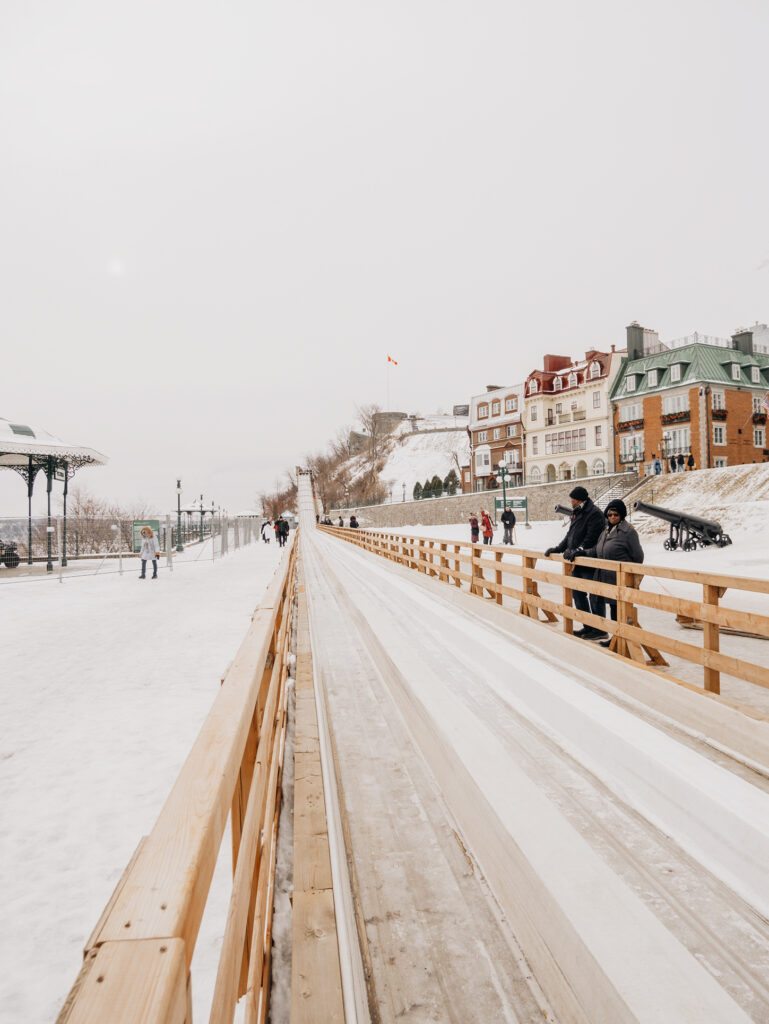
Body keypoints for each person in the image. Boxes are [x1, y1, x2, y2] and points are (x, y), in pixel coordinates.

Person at [569, 499, 644, 647]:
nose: (612, 517)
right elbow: (597, 550)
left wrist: (630, 575)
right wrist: (581, 553)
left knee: (619, 609)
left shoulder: (628, 532)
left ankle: (620, 639)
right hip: (605, 576)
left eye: (616, 514)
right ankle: (616, 637)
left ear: (621, 515)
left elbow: (638, 557)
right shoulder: (606, 531)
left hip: (620, 578)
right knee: (613, 608)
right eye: (609, 514)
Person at [543, 485, 604, 636]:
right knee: (577, 593)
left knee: (594, 595)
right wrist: (558, 548)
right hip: (576, 560)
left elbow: (592, 537)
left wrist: (579, 550)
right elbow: (570, 535)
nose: (571, 501)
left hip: (589, 560)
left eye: (572, 499)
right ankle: (588, 625)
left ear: (579, 499)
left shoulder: (594, 513)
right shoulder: (576, 512)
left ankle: (599, 629)